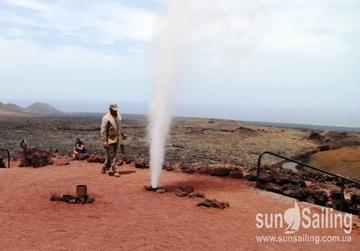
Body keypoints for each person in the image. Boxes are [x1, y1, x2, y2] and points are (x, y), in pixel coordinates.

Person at [101, 103, 126, 177]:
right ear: (110, 109)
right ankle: (114, 170)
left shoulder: (118, 115)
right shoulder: (106, 117)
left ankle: (104, 167)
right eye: (113, 110)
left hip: (117, 138)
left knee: (111, 155)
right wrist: (104, 141)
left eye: (116, 110)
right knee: (113, 155)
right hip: (109, 139)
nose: (115, 111)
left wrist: (122, 134)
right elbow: (103, 130)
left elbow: (119, 126)